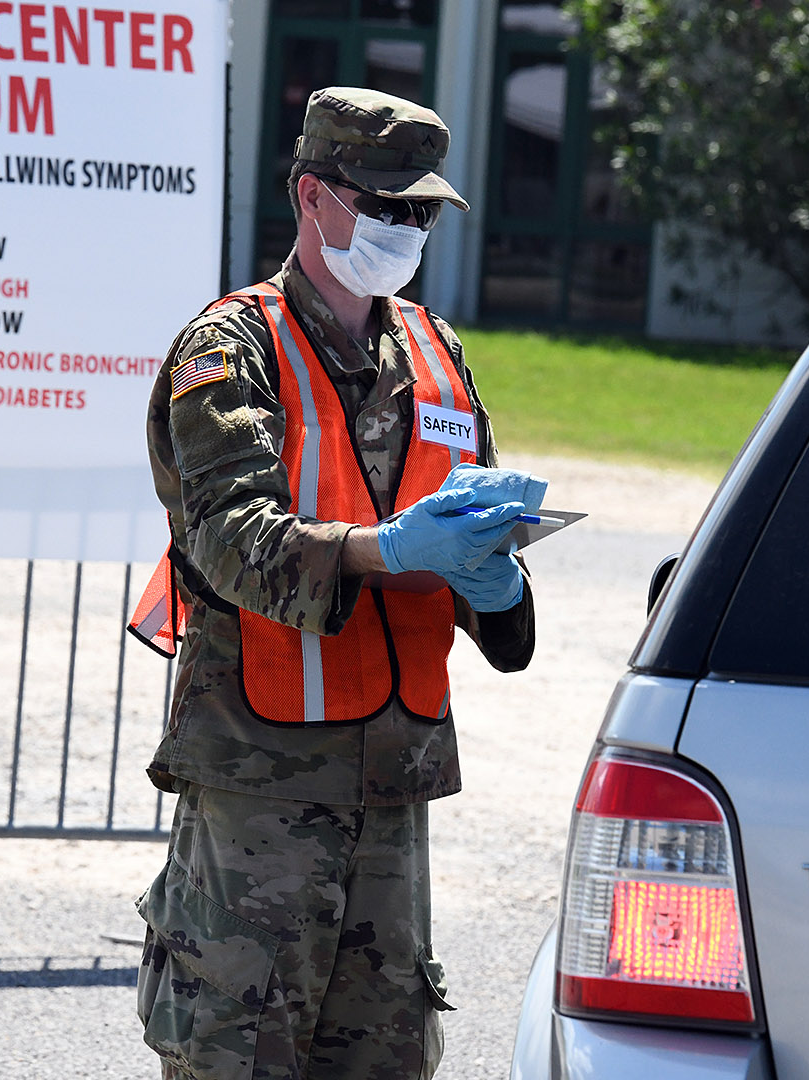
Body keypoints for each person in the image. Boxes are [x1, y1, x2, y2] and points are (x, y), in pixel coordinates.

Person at [129, 87, 542, 1080]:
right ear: (314, 196)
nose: (404, 228)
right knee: (239, 1050)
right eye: (384, 204)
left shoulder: (437, 355)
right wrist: (382, 552)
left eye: (421, 212)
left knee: (385, 1057)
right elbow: (227, 537)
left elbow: (469, 528)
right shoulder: (232, 348)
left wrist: (497, 583)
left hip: (392, 778)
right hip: (263, 775)